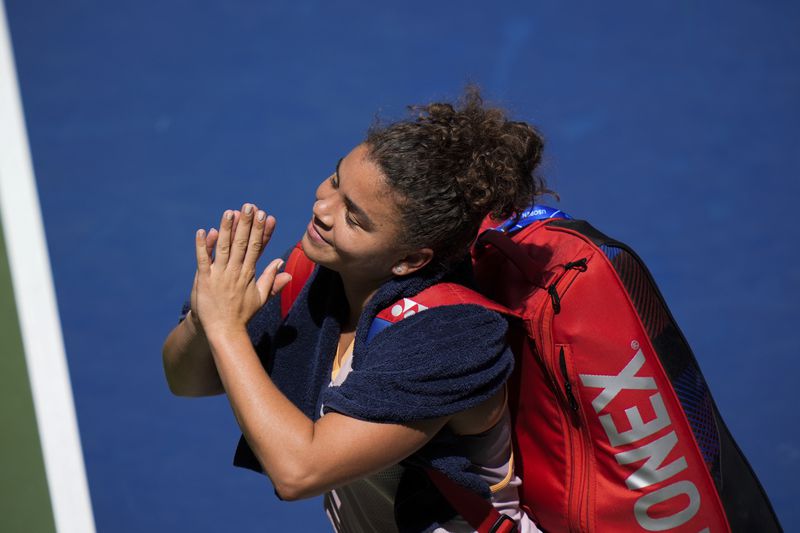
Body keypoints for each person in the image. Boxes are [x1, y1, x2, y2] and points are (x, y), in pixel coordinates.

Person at [162, 87, 548, 532]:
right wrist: (205, 317)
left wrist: (227, 328)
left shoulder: (452, 334)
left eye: (354, 217)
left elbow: (298, 471)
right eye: (335, 180)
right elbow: (187, 380)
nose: (322, 209)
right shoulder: (314, 274)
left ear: (410, 260)